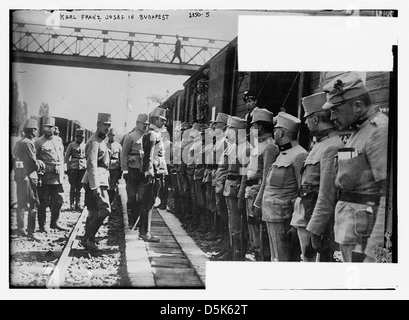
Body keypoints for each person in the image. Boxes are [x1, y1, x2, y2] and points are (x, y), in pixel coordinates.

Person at [322, 72, 388, 263]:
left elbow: (389, 196)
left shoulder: (379, 130)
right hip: (351, 231)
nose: (332, 117)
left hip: (364, 239)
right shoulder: (357, 132)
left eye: (336, 110)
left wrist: (374, 251)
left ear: (357, 106)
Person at [290, 92, 344, 262]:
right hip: (305, 212)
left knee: (314, 265)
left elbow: (326, 193)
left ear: (315, 119)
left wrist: (316, 228)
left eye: (307, 118)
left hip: (313, 218)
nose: (305, 122)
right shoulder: (321, 144)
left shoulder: (332, 146)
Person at [261, 112, 307, 261]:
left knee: (283, 259)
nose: (273, 133)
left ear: (281, 132)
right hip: (273, 213)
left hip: (284, 216)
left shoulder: (299, 155)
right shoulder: (284, 153)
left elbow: (302, 190)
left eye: (275, 130)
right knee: (276, 258)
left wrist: (296, 222)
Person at [239, 109, 278, 261]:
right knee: (254, 236)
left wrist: (258, 203)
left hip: (257, 196)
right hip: (251, 192)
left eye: (253, 126)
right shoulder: (259, 145)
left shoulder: (269, 147)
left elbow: (266, 177)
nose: (250, 129)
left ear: (260, 127)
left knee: (261, 238)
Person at [81, 113, 112, 250]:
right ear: (98, 124)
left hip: (100, 180)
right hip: (96, 182)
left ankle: (90, 241)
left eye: (109, 125)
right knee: (105, 210)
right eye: (104, 125)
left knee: (93, 212)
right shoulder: (94, 141)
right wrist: (95, 187)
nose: (107, 128)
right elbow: (91, 165)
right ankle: (87, 238)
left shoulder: (101, 141)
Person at [139, 107, 168, 242]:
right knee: (148, 203)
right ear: (155, 119)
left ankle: (145, 231)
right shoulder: (152, 134)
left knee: (149, 203)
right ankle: (145, 232)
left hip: (157, 172)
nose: (164, 123)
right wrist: (149, 170)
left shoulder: (155, 133)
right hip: (153, 173)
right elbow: (148, 155)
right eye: (162, 120)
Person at [13, 119, 45, 239]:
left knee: (21, 203)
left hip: (20, 176)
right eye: (35, 130)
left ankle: (21, 229)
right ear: (32, 130)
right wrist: (40, 164)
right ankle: (31, 232)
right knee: (34, 203)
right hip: (28, 176)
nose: (36, 132)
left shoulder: (20, 142)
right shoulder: (28, 143)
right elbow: (32, 162)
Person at [223, 116, 249, 260]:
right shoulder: (234, 146)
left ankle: (238, 255)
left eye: (231, 129)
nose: (228, 132)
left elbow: (245, 175)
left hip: (237, 189)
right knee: (232, 224)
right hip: (229, 187)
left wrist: (240, 195)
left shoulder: (246, 148)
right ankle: (232, 250)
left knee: (238, 226)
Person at [35, 116, 67, 232]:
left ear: (54, 128)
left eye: (50, 127)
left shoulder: (58, 140)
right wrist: (39, 163)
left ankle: (54, 222)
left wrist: (63, 170)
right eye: (45, 127)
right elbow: (34, 158)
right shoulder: (38, 142)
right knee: (43, 202)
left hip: (57, 177)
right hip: (45, 177)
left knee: (59, 199)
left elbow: (62, 156)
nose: (48, 129)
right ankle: (43, 226)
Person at [121, 113, 149, 229]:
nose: (145, 126)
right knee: (131, 197)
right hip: (132, 170)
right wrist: (125, 170)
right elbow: (123, 154)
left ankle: (140, 222)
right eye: (143, 124)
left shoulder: (148, 137)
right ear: (137, 124)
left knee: (141, 198)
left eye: (147, 124)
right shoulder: (130, 137)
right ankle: (131, 222)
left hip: (143, 171)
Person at [211, 113, 231, 260]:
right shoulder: (220, 141)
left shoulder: (226, 143)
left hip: (223, 184)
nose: (215, 127)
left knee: (225, 216)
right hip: (218, 182)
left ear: (224, 127)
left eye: (217, 125)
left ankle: (227, 247)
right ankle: (224, 246)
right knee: (221, 214)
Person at [65, 128, 86, 211]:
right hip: (73, 168)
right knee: (72, 186)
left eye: (82, 137)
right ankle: (71, 204)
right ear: (76, 137)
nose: (81, 138)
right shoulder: (71, 145)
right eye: (79, 137)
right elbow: (66, 157)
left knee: (79, 187)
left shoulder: (85, 145)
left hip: (82, 168)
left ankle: (78, 203)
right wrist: (67, 168)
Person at [107, 128, 122, 211]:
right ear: (108, 135)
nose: (112, 137)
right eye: (110, 135)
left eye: (113, 135)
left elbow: (121, 158)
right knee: (106, 186)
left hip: (115, 168)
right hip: (106, 168)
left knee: (112, 187)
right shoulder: (104, 145)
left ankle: (111, 203)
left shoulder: (118, 146)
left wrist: (121, 169)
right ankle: (106, 203)